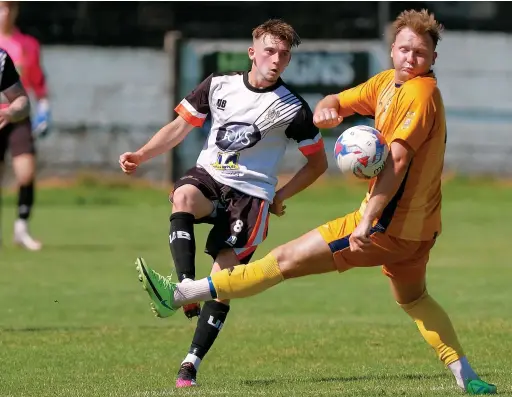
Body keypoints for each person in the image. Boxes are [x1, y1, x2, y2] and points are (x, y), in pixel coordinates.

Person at [135, 9, 497, 395]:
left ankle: (179, 294)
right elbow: (339, 101)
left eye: (420, 54)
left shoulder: (420, 94)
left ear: (432, 60)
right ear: (392, 50)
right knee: (416, 298)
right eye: (405, 49)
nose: (411, 58)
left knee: (283, 261)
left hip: (384, 227)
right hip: (420, 231)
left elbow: (397, 161)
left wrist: (366, 220)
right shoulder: (388, 83)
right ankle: (467, 376)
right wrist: (330, 108)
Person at [120, 19, 328, 388]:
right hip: (210, 177)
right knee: (183, 196)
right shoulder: (219, 85)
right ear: (252, 53)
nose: (276, 59)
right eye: (269, 50)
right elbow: (179, 127)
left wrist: (281, 195)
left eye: (283, 54)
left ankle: (191, 362)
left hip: (251, 199)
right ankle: (185, 289)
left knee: (223, 279)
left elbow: (318, 163)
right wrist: (141, 154)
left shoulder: (293, 109)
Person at [0, 1, 51, 251]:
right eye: (1, 7)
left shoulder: (27, 44)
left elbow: (37, 80)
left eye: (10, 8)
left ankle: (21, 228)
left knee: (26, 172)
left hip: (17, 116)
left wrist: (44, 108)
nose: (5, 13)